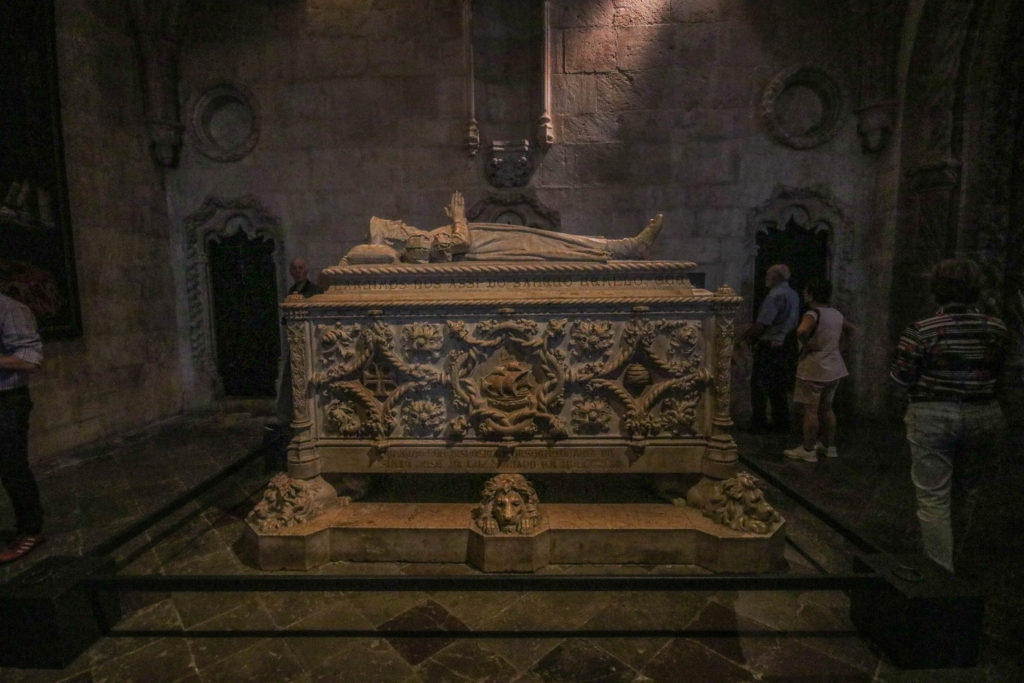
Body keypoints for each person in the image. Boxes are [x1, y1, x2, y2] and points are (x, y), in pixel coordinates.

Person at [889, 258, 1009, 574]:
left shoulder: (923, 330)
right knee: (967, 491)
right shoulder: (996, 327)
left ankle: (940, 572)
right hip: (984, 412)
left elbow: (902, 377)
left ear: (936, 289)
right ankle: (955, 555)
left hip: (933, 413)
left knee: (933, 497)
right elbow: (1002, 372)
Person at [351, 191, 664, 263]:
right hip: (488, 247)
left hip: (489, 239)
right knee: (553, 246)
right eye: (394, 225)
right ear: (389, 236)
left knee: (550, 239)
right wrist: (459, 217)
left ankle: (623, 246)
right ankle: (626, 248)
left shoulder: (416, 241)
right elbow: (459, 243)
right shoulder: (413, 245)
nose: (401, 223)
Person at [784, 278, 855, 462]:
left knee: (811, 410)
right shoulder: (836, 314)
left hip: (814, 367)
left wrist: (807, 345)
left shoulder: (813, 314)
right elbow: (851, 330)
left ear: (811, 293)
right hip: (834, 366)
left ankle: (808, 449)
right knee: (828, 408)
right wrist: (841, 348)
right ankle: (830, 446)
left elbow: (801, 331)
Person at [0, 292, 45, 564]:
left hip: (6, 401)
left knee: (12, 467)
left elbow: (30, 358)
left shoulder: (10, 309)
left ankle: (30, 530)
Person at [739, 263, 801, 433]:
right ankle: (781, 422)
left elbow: (764, 323)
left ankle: (758, 422)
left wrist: (747, 335)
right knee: (777, 386)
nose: (766, 278)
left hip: (770, 344)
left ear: (776, 277)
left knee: (759, 384)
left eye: (768, 275)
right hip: (785, 344)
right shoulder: (793, 294)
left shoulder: (775, 295)